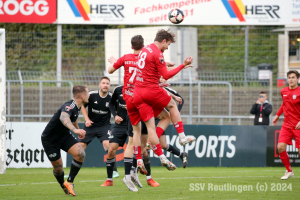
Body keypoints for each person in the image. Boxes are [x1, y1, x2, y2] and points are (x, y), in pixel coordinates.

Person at [133, 29, 196, 168]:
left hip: (137, 93)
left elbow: (149, 64)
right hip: (150, 90)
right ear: (164, 41)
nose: (168, 47)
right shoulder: (158, 53)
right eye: (168, 44)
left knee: (163, 118)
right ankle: (182, 137)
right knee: (173, 105)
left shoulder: (146, 49)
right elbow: (166, 75)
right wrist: (182, 65)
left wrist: (165, 63)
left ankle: (160, 155)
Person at [41, 85, 88, 196]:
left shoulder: (78, 106)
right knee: (58, 168)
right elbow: (64, 118)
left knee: (80, 153)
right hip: (50, 139)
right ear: (82, 96)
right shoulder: (69, 106)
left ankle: (69, 181)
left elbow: (73, 118)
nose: (89, 96)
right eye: (88, 93)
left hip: (64, 136)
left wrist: (78, 129)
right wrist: (75, 130)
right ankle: (63, 186)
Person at [78, 77, 119, 178]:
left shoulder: (112, 97)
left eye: (107, 83)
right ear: (99, 85)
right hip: (90, 125)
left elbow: (117, 110)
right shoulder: (91, 95)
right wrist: (87, 119)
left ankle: (114, 171)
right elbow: (82, 106)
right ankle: (72, 172)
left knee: (108, 146)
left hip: (104, 126)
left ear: (109, 86)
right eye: (103, 83)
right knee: (80, 148)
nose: (105, 85)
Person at [273, 70, 300, 180]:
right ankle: (289, 171)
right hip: (287, 125)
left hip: (298, 126)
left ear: (298, 79)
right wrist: (277, 115)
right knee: (280, 147)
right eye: (289, 77)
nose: (291, 79)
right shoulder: (283, 91)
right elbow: (285, 103)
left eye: (293, 77)